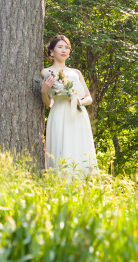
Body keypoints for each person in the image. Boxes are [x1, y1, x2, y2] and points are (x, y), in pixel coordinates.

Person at [41, 35, 98, 175]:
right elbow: (48, 103)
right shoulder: (46, 72)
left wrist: (80, 101)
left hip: (78, 114)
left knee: (79, 146)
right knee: (61, 145)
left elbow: (89, 98)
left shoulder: (76, 72)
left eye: (66, 48)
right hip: (59, 113)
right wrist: (44, 91)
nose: (64, 50)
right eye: (60, 47)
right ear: (51, 51)